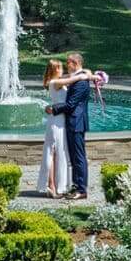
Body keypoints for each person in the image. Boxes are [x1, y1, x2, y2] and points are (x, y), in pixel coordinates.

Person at [38, 59, 95, 197]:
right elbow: (77, 77)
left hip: (61, 120)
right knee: (52, 152)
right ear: (55, 70)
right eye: (60, 67)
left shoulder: (59, 80)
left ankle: (59, 185)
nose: (63, 69)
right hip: (56, 121)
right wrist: (84, 75)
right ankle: (51, 185)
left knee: (59, 153)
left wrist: (87, 73)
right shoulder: (55, 82)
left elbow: (81, 74)